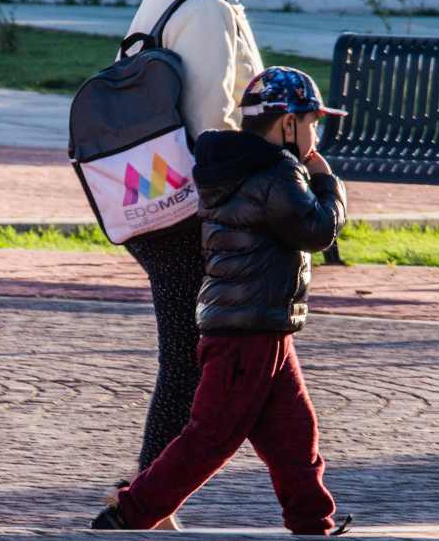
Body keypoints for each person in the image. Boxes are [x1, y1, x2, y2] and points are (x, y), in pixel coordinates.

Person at [93, 67, 351, 535]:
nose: (317, 134)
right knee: (211, 437)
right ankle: (127, 515)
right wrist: (329, 184)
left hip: (263, 327)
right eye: (313, 121)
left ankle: (314, 523)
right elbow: (316, 231)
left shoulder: (232, 166)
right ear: (286, 124)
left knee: (295, 436)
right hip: (246, 334)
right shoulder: (275, 173)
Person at [115, 0, 283, 530]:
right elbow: (214, 121)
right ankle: (145, 505)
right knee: (188, 362)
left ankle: (148, 497)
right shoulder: (209, 8)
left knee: (202, 356)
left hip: (142, 196)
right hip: (183, 206)